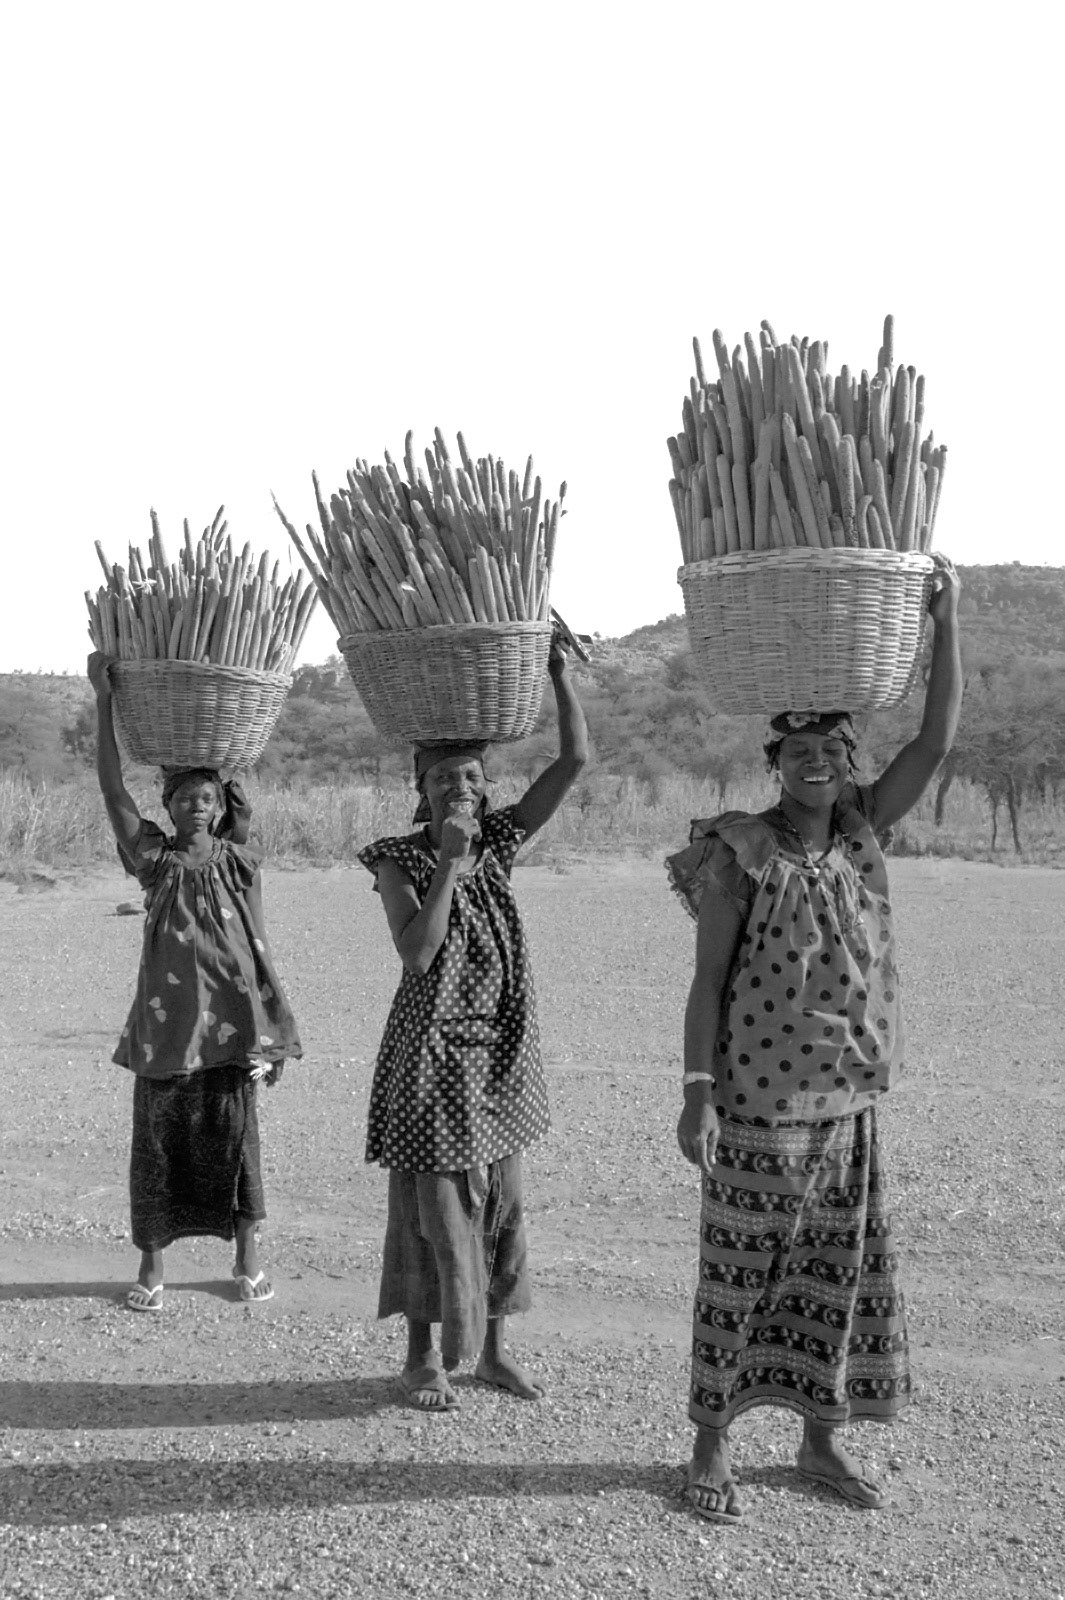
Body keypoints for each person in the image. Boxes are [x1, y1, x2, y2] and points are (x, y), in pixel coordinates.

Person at [666, 554, 962, 1522]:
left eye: (833, 748)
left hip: (847, 1094)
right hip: (755, 1095)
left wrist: (941, 621)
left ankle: (818, 1437)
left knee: (838, 1267)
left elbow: (937, 735)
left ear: (849, 760)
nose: (816, 761)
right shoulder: (739, 849)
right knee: (743, 1266)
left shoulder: (867, 829)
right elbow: (708, 978)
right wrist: (696, 1092)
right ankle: (711, 1442)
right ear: (775, 764)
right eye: (798, 752)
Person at [358, 629, 588, 1412]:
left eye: (472, 776)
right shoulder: (399, 857)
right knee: (430, 1208)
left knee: (502, 1204)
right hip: (429, 1057)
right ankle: (422, 1356)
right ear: (419, 787)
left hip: (500, 1050)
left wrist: (557, 674)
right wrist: (449, 863)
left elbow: (574, 765)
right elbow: (417, 955)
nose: (461, 786)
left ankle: (492, 1351)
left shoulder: (500, 838)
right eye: (445, 777)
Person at [88, 652, 301, 1312]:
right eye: (185, 797)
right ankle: (151, 1268)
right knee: (156, 1145)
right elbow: (112, 790)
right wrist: (104, 700)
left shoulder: (239, 861)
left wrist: (226, 741)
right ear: (169, 805)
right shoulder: (154, 860)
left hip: (236, 1028)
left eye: (208, 797)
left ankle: (246, 1258)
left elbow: (242, 796)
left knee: (237, 1142)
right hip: (168, 1032)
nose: (198, 807)